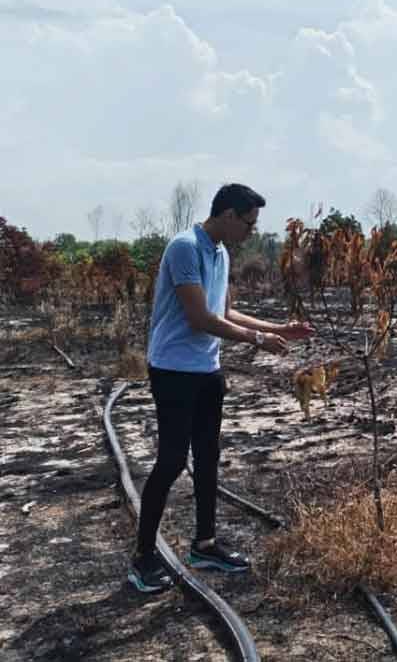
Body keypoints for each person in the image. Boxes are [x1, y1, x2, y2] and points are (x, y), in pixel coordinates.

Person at [128, 183, 314, 594]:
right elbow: (199, 318)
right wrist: (258, 342)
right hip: (174, 369)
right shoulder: (184, 247)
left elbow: (225, 311)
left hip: (207, 369)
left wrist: (277, 328)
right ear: (229, 215)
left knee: (208, 455)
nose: (251, 231)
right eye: (248, 223)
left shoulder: (221, 253)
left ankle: (205, 545)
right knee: (173, 459)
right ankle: (142, 558)